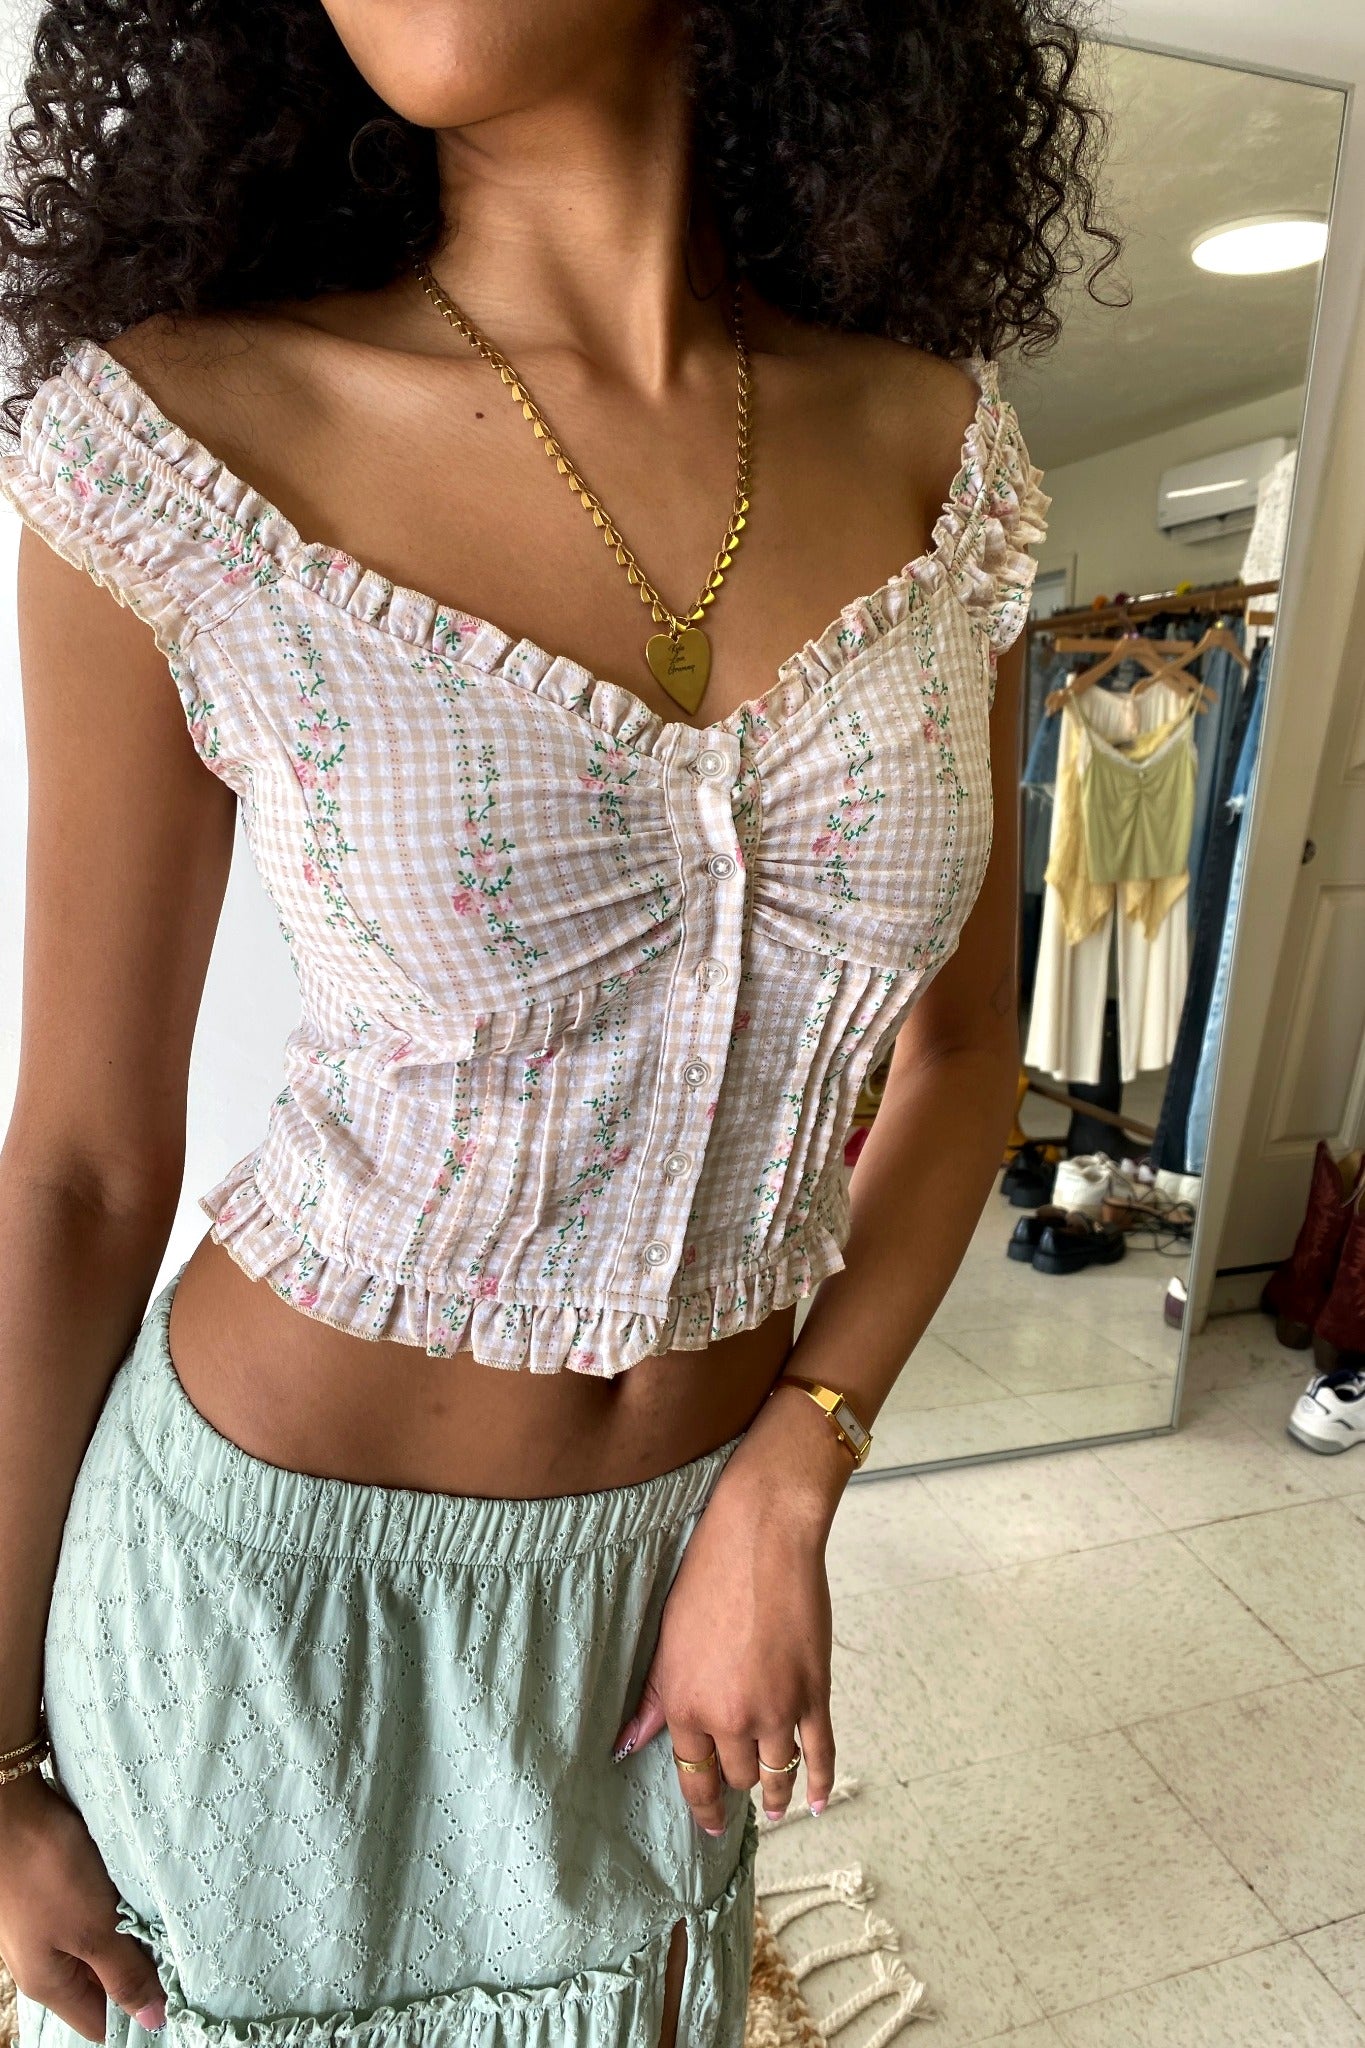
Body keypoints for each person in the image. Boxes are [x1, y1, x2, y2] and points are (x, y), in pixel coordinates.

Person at [0, 2, 1116, 2043]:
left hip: (673, 1589)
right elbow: (76, 1161)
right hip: (262, 1610)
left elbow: (962, 1063)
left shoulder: (936, 460)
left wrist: (797, 1465)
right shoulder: (177, 446)